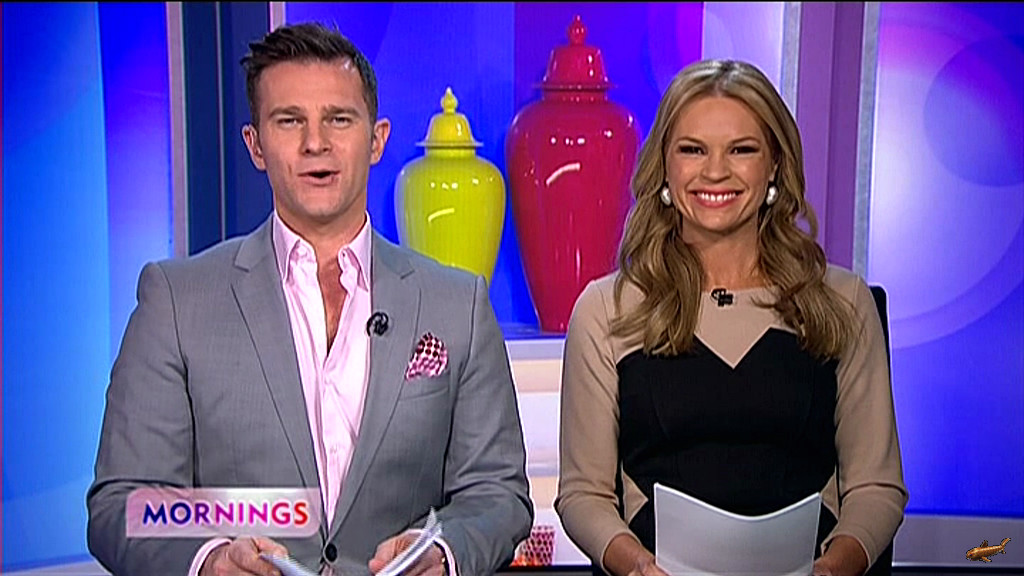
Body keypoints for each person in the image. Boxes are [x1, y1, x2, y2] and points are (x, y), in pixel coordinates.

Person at [87, 21, 533, 576]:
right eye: (289, 120)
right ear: (255, 145)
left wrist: (443, 551)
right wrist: (210, 558)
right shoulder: (176, 300)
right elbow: (124, 502)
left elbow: (497, 494)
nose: (315, 143)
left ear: (377, 139)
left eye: (338, 119)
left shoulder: (457, 304)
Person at [555, 59, 907, 576]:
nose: (715, 171)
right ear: (665, 167)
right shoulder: (608, 310)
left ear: (775, 166)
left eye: (741, 150)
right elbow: (583, 494)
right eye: (692, 149)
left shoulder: (842, 302)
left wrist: (832, 568)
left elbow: (876, 487)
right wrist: (638, 567)